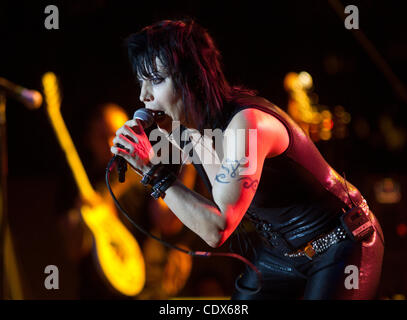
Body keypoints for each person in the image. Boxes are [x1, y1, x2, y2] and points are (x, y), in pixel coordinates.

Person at [110, 19, 384, 299]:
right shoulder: (192, 127)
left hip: (339, 244)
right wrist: (158, 151)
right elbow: (213, 197)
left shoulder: (248, 125)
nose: (144, 95)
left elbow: (218, 229)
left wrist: (152, 171)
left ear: (192, 79)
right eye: (141, 82)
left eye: (156, 80)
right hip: (282, 254)